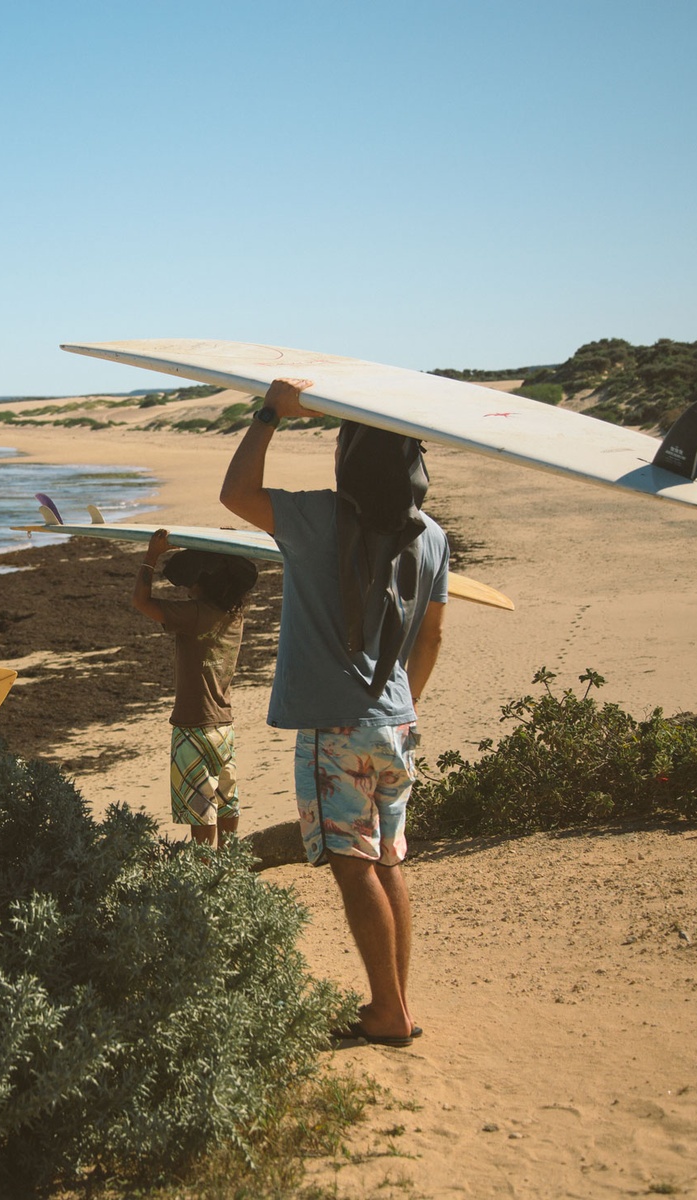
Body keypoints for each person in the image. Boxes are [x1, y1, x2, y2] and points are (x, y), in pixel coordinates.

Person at [220, 378, 449, 1048]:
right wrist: (397, 708)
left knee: (354, 868)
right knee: (388, 863)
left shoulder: (320, 517)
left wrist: (270, 414)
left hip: (334, 728)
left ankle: (389, 1011)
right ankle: (396, 1004)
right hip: (396, 723)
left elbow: (235, 494)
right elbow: (431, 638)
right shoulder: (432, 536)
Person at [130, 531, 258, 847]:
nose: (187, 588)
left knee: (202, 813)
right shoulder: (234, 615)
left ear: (204, 584)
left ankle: (206, 879)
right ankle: (230, 869)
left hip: (193, 731)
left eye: (192, 582)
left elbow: (140, 602)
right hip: (224, 729)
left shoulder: (194, 615)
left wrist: (151, 556)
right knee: (227, 802)